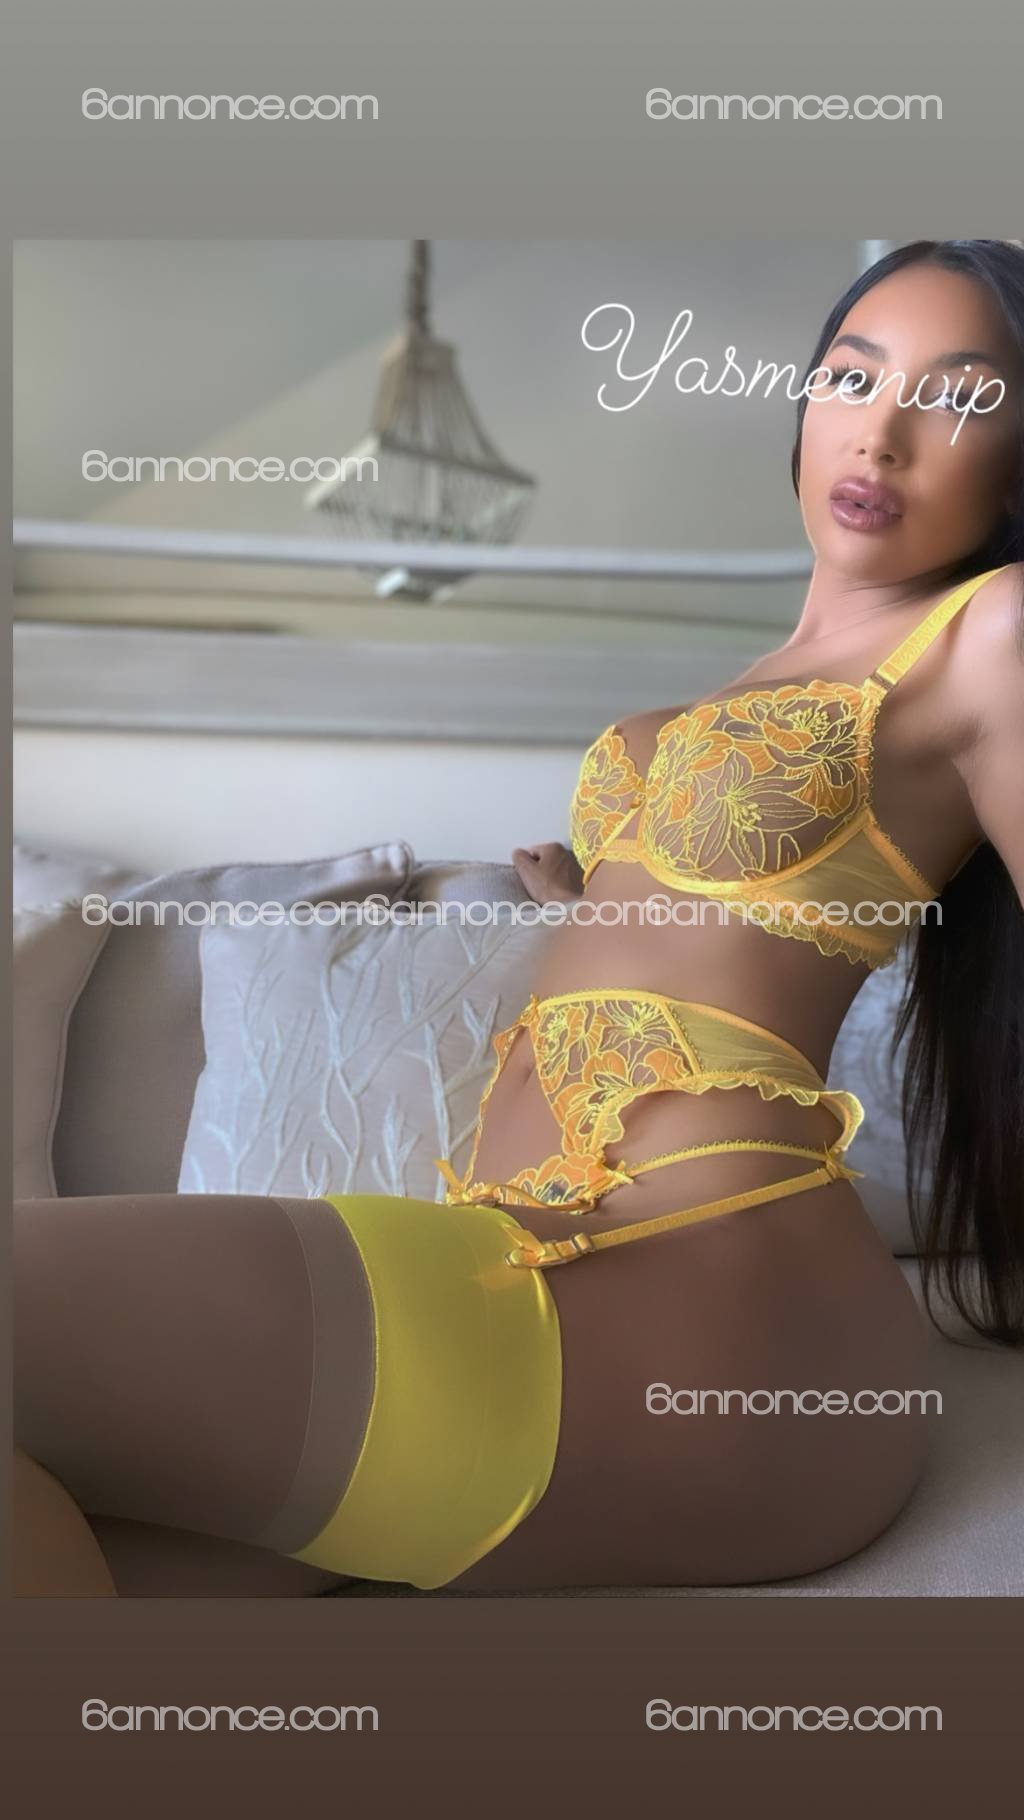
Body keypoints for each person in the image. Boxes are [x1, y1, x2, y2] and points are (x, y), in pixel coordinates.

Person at [14, 239, 1024, 1598]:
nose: (884, 433)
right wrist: (588, 902)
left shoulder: (992, 632)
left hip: (719, 1301)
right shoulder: (755, 681)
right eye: (853, 376)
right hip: (525, 1262)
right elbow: (725, 914)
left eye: (960, 398)